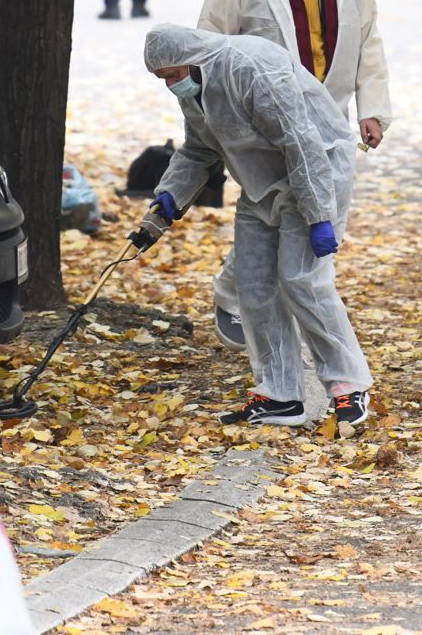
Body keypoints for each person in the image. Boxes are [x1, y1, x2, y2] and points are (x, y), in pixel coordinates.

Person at [137, 23, 375, 428]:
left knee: (302, 280)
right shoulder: (195, 87)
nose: (171, 86)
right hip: (260, 184)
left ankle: (349, 385)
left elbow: (300, 141)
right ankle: (280, 394)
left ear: (193, 59)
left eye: (173, 75)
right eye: (164, 80)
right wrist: (169, 197)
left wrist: (319, 215)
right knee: (253, 285)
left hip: (317, 173)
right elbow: (199, 149)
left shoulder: (251, 67)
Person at [198, 0, 391, 349]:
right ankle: (236, 294)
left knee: (322, 220)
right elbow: (209, 41)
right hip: (263, 124)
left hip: (328, 119)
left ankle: (299, 315)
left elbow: (368, 43)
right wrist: (215, 114)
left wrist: (373, 109)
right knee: (271, 214)